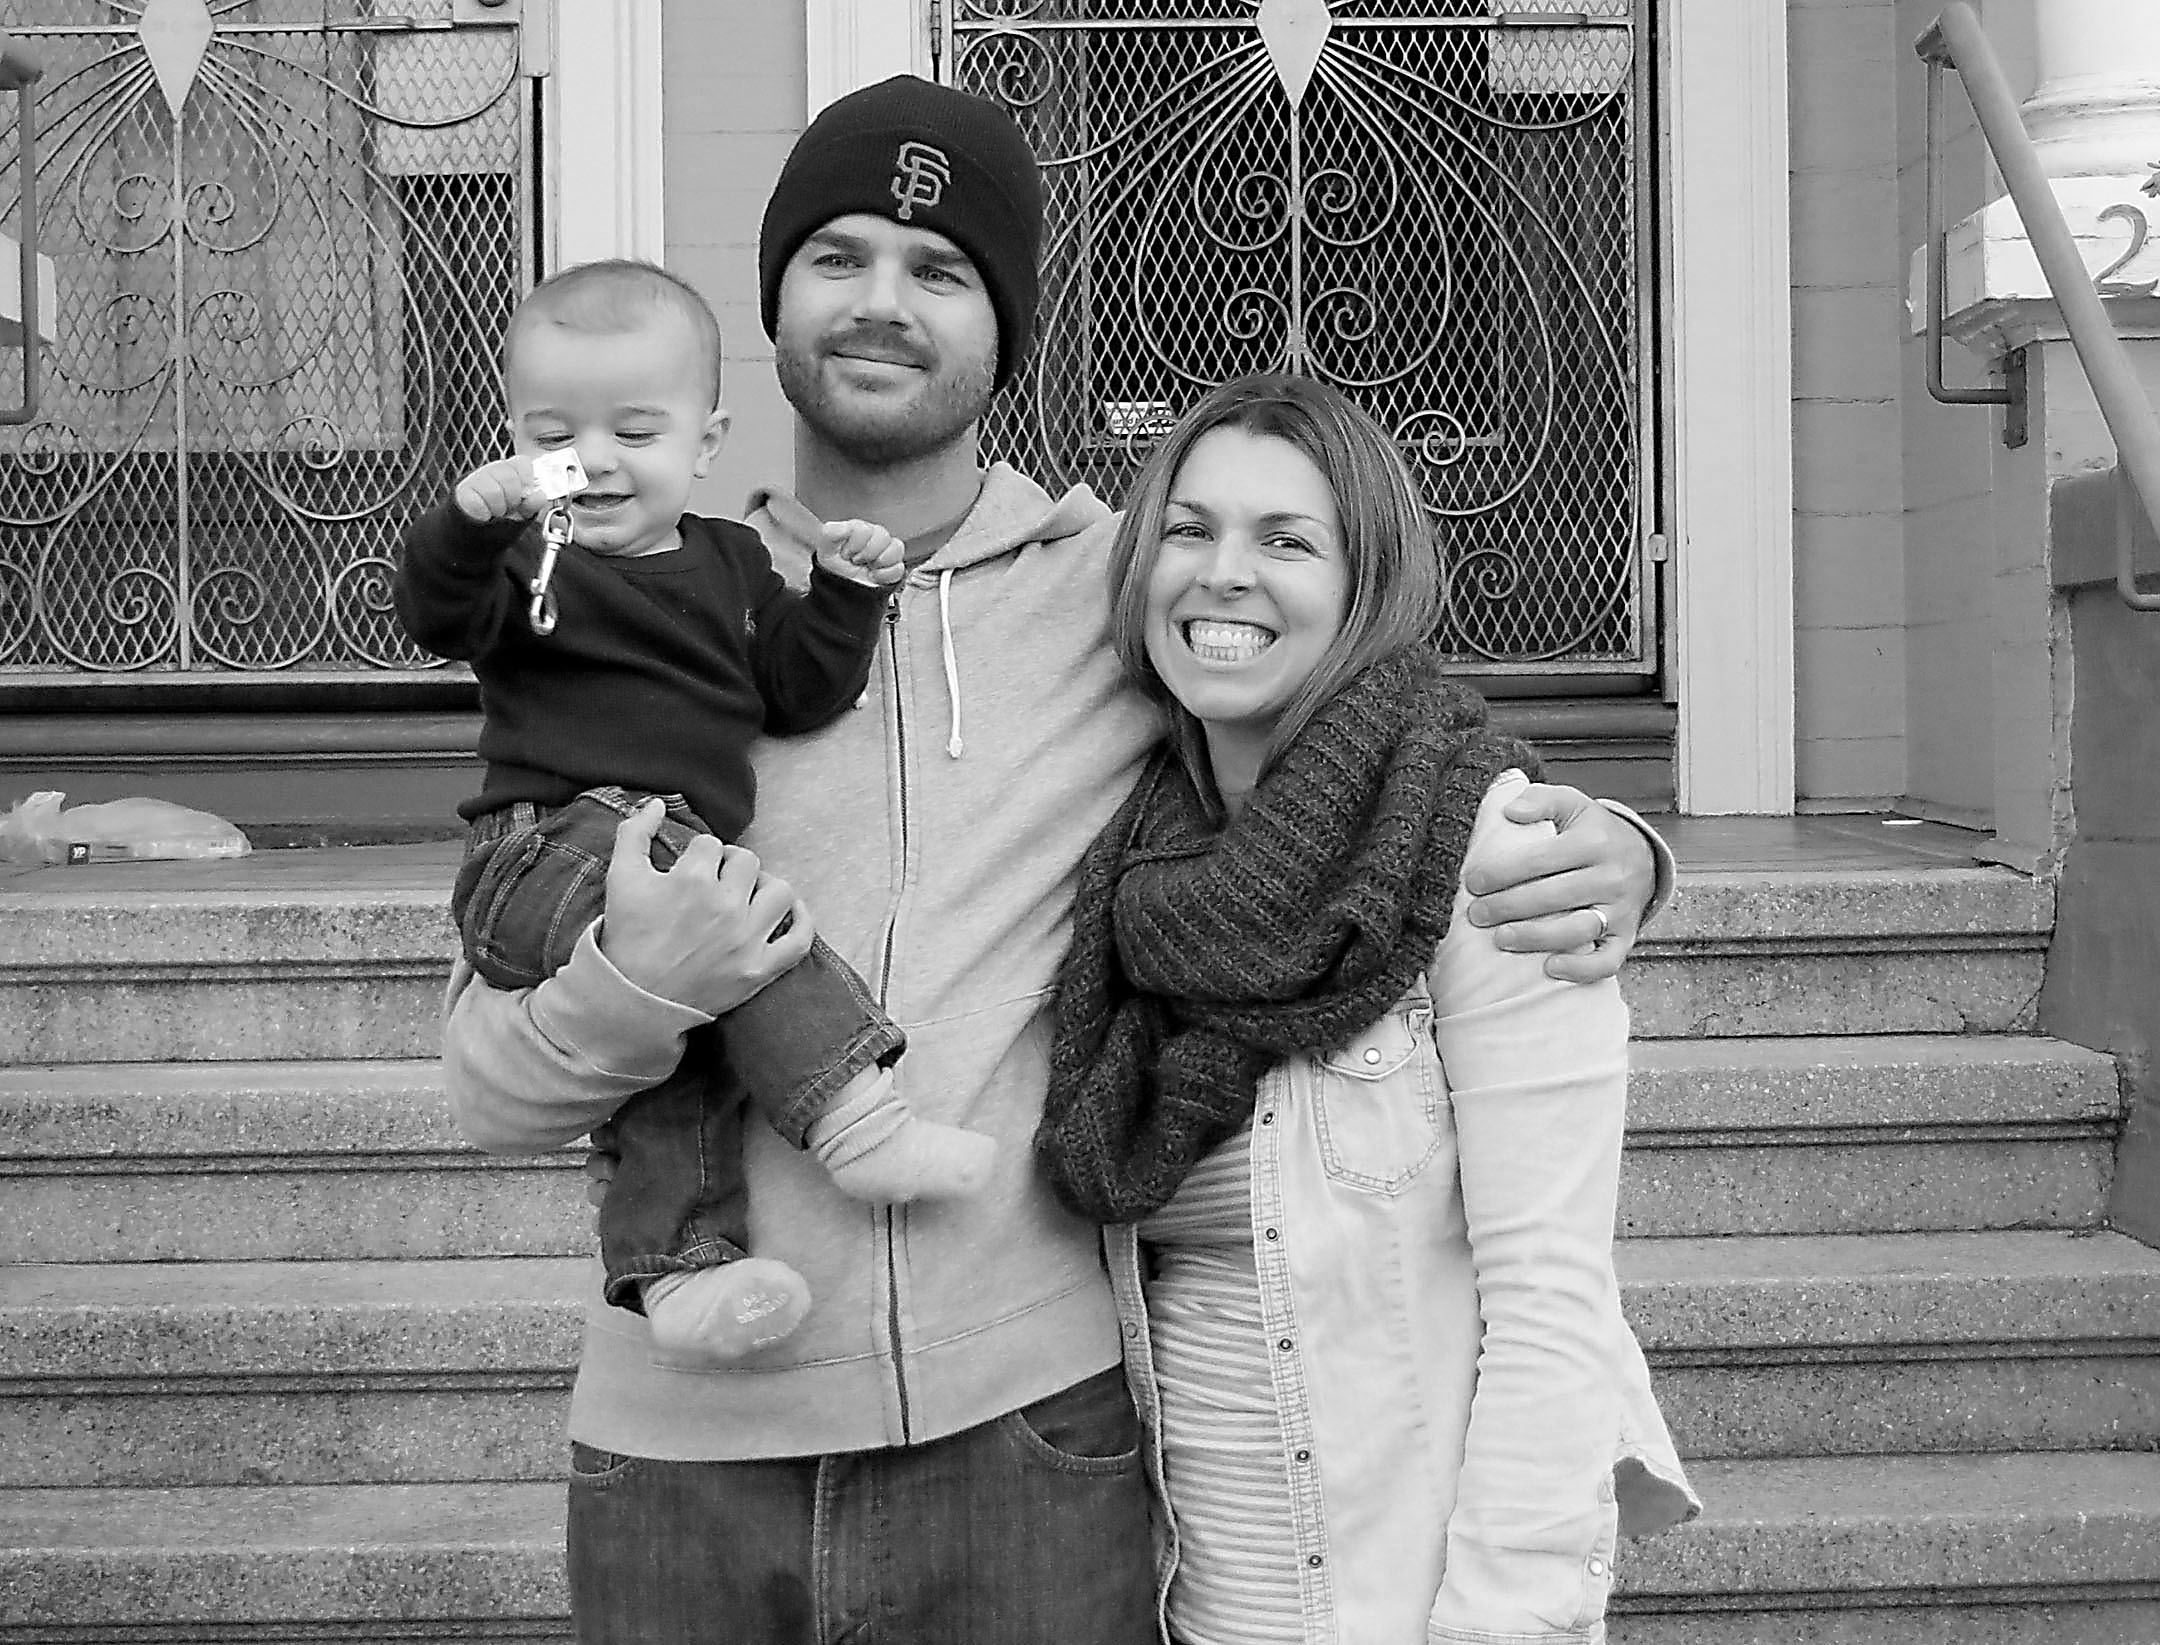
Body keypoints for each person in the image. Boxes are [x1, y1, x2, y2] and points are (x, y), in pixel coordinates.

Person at [441, 76, 1674, 1645]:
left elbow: (1371, 727)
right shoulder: (624, 600)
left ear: (1006, 323)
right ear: (773, 301)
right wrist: (637, 986)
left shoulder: (1126, 591)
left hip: (1027, 1441)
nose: (883, 302)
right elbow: (487, 1088)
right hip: (677, 1454)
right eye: (838, 256)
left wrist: (1619, 849)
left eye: (940, 269)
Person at [1036, 374, 1699, 1645]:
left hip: (1390, 1600)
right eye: (1189, 529)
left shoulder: (1484, 850)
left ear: (1366, 584)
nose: (1224, 573)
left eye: (1287, 540)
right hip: (1169, 1586)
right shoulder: (1127, 861)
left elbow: (1552, 1305)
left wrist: (1502, 1622)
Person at [395, 259, 995, 1368]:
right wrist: (470, 525)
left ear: (706, 442)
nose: (596, 460)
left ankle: (682, 1270)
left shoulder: (731, 561)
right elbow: (434, 613)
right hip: (540, 849)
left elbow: (797, 689)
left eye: (636, 431)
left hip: (657, 848)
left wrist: (847, 595)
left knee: (686, 1043)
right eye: (554, 435)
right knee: (739, 916)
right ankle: (856, 1117)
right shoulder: (529, 560)